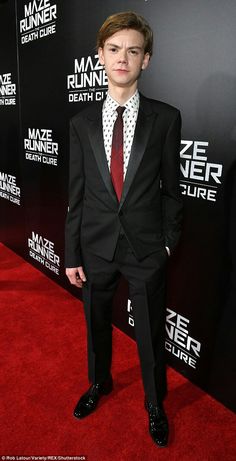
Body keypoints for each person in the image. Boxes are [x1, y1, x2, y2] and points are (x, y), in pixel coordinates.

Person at [65, 11, 182, 448]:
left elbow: (172, 189)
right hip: (94, 247)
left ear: (145, 60)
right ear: (100, 56)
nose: (123, 58)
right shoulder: (80, 123)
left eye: (133, 50)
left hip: (146, 249)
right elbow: (75, 194)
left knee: (150, 331)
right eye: (114, 49)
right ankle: (100, 383)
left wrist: (167, 244)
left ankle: (155, 402)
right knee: (95, 324)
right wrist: (72, 253)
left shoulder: (166, 119)